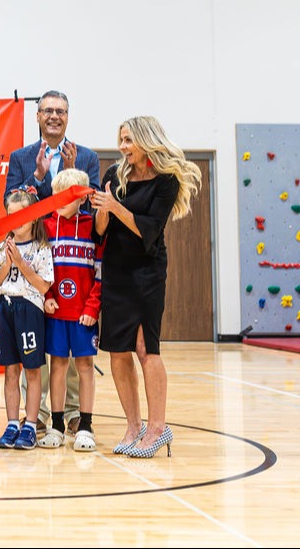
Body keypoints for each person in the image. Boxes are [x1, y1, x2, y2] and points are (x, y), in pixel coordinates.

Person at [90, 116, 200, 458]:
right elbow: (99, 232)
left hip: (147, 270)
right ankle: (133, 426)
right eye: (120, 140)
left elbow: (149, 230)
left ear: (145, 140)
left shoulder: (165, 181)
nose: (123, 147)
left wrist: (114, 207)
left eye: (128, 141)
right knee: (117, 350)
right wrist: (104, 211)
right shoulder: (114, 176)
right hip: (117, 270)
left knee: (144, 347)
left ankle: (157, 427)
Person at [6, 90, 100, 435]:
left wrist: (73, 177)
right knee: (39, 344)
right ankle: (40, 414)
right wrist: (39, 179)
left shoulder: (87, 157)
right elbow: (12, 206)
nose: (54, 116)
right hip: (36, 264)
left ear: (68, 116)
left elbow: (91, 210)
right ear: (38, 116)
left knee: (72, 352)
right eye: (48, 110)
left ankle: (73, 411)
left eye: (60, 111)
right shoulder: (21, 157)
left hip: (74, 262)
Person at [40, 169, 102, 452]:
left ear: (81, 198)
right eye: (57, 195)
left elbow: (101, 272)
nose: (61, 200)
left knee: (85, 366)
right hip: (56, 311)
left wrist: (93, 306)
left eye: (69, 195)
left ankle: (86, 426)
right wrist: (47, 296)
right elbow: (42, 268)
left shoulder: (93, 226)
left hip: (83, 313)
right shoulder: (45, 226)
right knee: (58, 365)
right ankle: (56, 425)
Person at [0, 187, 54, 450]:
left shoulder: (40, 247)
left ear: (35, 216)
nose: (16, 221)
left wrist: (21, 263)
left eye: (22, 215)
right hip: (6, 308)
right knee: (10, 371)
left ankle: (31, 425)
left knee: (32, 371)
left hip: (30, 310)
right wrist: (7, 262)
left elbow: (43, 286)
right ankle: (13, 423)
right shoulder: (2, 245)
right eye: (11, 216)